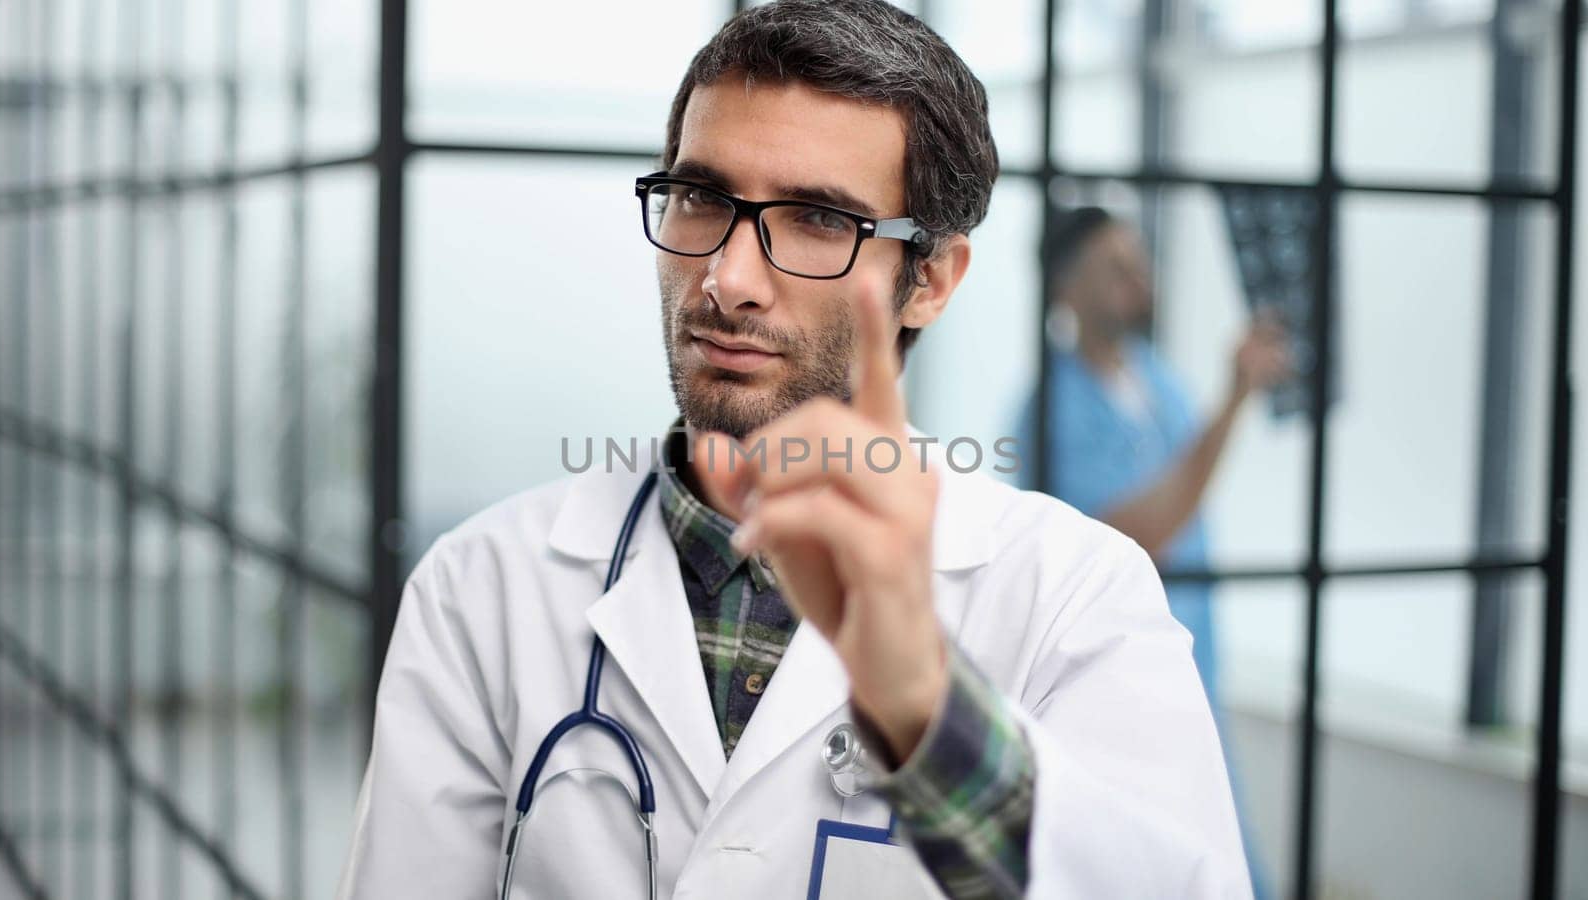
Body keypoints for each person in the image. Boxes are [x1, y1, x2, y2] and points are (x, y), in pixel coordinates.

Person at [337, 4, 1248, 898]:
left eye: (817, 218)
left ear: (928, 280)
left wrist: (925, 710)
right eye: (700, 198)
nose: (727, 280)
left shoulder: (1075, 597)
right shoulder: (480, 590)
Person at [1015, 207, 1290, 897]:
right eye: (1115, 267)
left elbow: (1187, 490)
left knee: (1218, 850)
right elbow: (1140, 532)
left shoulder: (1157, 378)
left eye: (1139, 261)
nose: (1140, 278)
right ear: (1064, 290)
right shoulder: (1049, 408)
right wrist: (1233, 399)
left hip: (1197, 657)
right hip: (1108, 677)